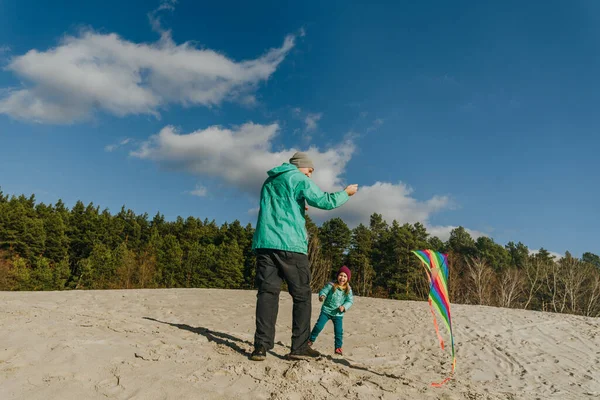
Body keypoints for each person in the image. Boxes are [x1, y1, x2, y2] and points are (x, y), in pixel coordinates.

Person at [250, 151, 358, 361]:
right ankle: (299, 347)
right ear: (300, 166)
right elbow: (325, 201)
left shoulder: (269, 180)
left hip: (265, 243)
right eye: (310, 171)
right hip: (291, 244)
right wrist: (346, 193)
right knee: (301, 296)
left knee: (267, 294)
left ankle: (261, 347)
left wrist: (298, 206)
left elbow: (278, 206)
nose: (310, 176)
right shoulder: (297, 177)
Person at [308, 266, 354, 356]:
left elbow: (350, 301)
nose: (342, 278)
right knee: (318, 326)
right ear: (337, 276)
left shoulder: (348, 289)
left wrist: (344, 307)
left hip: (338, 314)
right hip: (326, 311)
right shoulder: (331, 285)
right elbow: (323, 291)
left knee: (338, 332)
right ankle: (310, 340)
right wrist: (322, 296)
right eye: (341, 275)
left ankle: (338, 348)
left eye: (345, 276)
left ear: (348, 279)